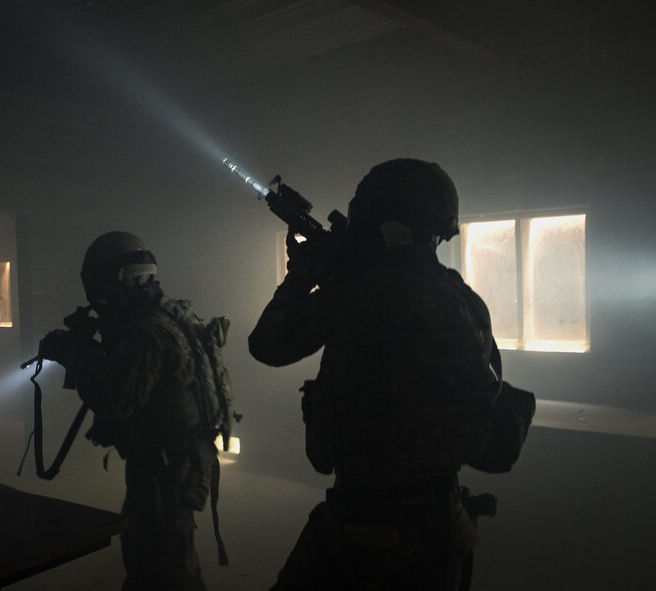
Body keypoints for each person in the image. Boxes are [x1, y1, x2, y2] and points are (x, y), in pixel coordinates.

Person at [249, 159, 502, 590]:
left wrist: (302, 276)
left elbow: (268, 344)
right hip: (440, 518)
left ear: (375, 220)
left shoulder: (360, 296)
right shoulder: (461, 295)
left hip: (373, 526)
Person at [40, 231, 215, 591]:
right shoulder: (164, 316)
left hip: (167, 469)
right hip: (171, 462)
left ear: (117, 278)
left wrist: (80, 354)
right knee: (156, 556)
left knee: (163, 567)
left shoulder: (148, 331)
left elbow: (114, 399)